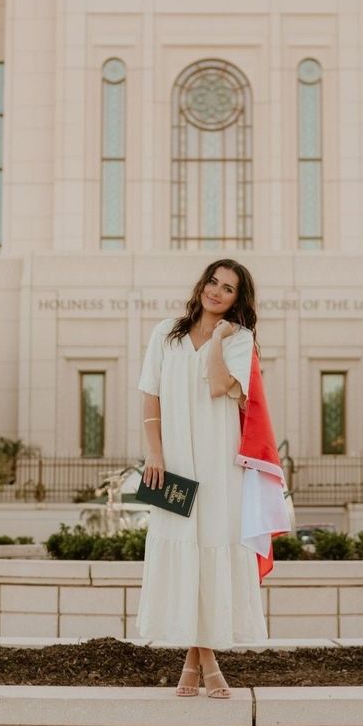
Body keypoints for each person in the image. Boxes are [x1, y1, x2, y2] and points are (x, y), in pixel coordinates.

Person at [136, 259, 269, 699]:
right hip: (173, 466)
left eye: (228, 288)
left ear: (237, 299)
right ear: (202, 284)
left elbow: (217, 386)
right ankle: (205, 661)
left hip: (219, 467)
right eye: (213, 282)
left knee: (210, 547)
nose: (216, 291)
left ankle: (196, 662)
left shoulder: (239, 339)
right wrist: (155, 452)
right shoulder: (165, 333)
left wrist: (216, 339)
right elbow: (149, 393)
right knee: (184, 549)